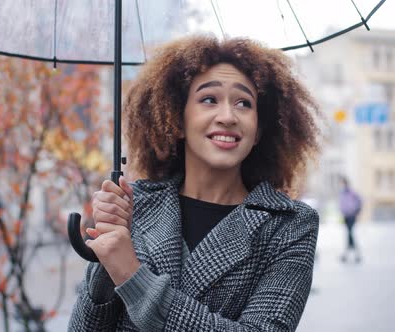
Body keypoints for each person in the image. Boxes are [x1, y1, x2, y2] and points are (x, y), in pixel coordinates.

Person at [68, 35, 321, 332]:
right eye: (209, 99)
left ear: (260, 128)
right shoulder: (134, 206)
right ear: (178, 117)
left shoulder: (290, 225)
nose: (228, 116)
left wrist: (132, 275)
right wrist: (107, 259)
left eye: (243, 103)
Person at [338, 176, 362, 263]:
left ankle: (353, 254)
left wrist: (356, 211)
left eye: (342, 183)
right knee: (349, 234)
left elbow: (359, 201)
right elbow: (342, 204)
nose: (341, 185)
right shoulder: (342, 193)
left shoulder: (352, 192)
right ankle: (353, 255)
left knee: (350, 234)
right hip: (346, 216)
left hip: (351, 215)